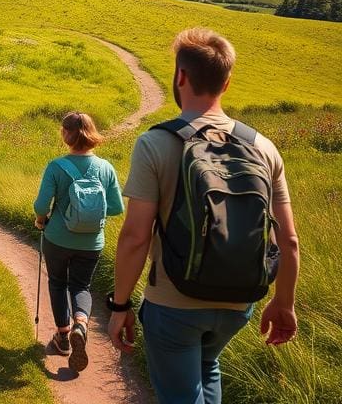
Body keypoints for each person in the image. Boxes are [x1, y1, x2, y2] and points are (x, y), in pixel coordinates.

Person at [108, 28, 300, 404]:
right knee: (207, 366)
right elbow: (288, 239)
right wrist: (284, 302)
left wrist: (119, 305)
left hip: (173, 301)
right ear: (227, 82)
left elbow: (135, 237)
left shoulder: (157, 143)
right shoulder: (263, 147)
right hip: (239, 302)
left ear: (180, 76)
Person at [33, 111, 124, 371]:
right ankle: (81, 324)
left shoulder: (56, 166)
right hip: (91, 242)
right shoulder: (105, 168)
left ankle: (63, 338)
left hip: (57, 238)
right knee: (81, 286)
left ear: (66, 134)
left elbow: (41, 205)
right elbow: (116, 208)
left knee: (58, 283)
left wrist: (42, 219)